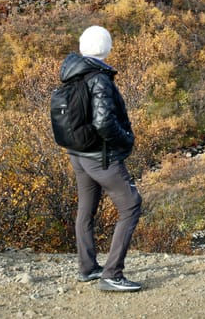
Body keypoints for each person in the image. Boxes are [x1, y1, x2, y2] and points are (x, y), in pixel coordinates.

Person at [57, 25, 143, 292]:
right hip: (100, 156)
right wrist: (126, 139)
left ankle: (87, 268)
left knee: (86, 209)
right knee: (131, 206)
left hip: (78, 154)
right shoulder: (99, 78)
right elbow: (104, 121)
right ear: (107, 47)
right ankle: (112, 275)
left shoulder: (73, 74)